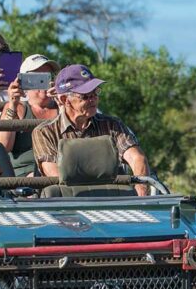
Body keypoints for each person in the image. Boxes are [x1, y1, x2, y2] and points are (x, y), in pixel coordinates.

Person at [32, 64, 151, 195]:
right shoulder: (45, 132)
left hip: (112, 202)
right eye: (85, 96)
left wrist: (140, 197)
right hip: (68, 205)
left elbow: (137, 158)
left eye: (95, 92)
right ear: (65, 99)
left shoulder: (112, 125)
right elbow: (54, 175)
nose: (94, 99)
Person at [0, 54, 60, 176]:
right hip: (26, 178)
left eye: (49, 76)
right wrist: (12, 104)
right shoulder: (17, 108)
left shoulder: (62, 106)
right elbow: (2, 148)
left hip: (60, 171)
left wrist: (63, 102)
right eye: (37, 77)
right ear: (24, 81)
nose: (45, 81)